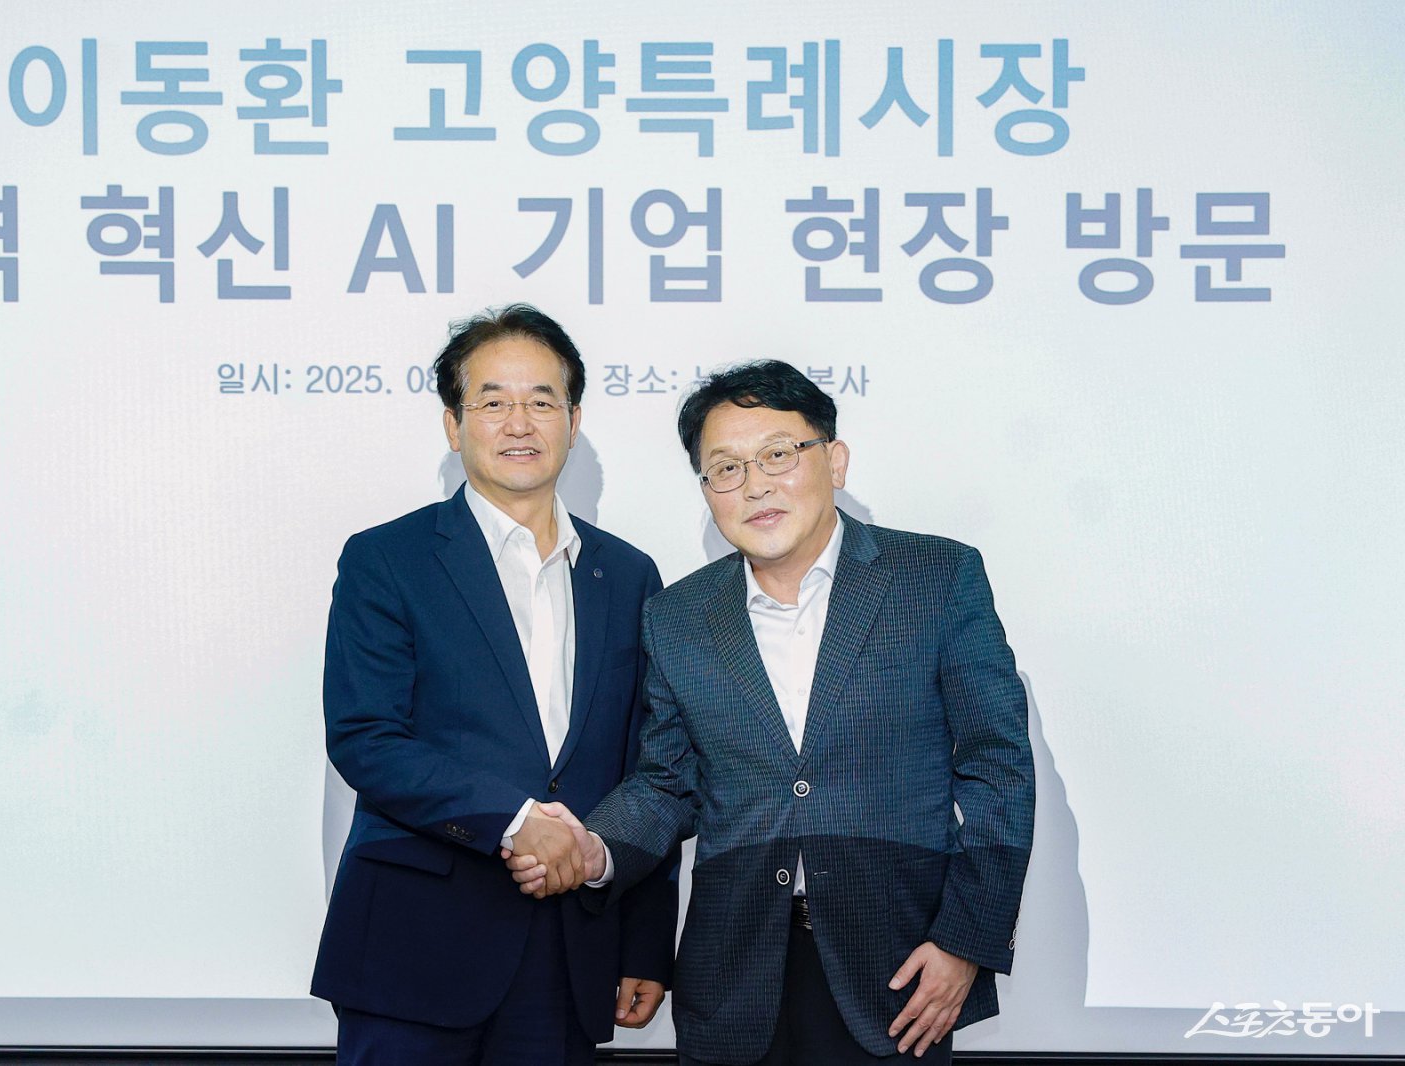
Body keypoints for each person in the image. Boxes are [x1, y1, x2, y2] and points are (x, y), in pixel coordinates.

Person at [508, 360, 1035, 1065]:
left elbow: (997, 767)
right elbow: (667, 783)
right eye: (725, 468)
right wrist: (594, 849)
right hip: (732, 975)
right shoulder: (679, 615)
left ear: (835, 460)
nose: (754, 484)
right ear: (706, 490)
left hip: (900, 973)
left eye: (778, 454)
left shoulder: (936, 578)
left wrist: (964, 940)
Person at [310, 305, 678, 1065]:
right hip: (415, 947)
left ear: (574, 421)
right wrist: (515, 822)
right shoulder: (388, 559)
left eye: (542, 400)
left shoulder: (628, 574)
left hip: (570, 947)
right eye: (492, 402)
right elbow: (366, 736)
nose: (519, 423)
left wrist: (645, 940)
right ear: (454, 425)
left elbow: (650, 765)